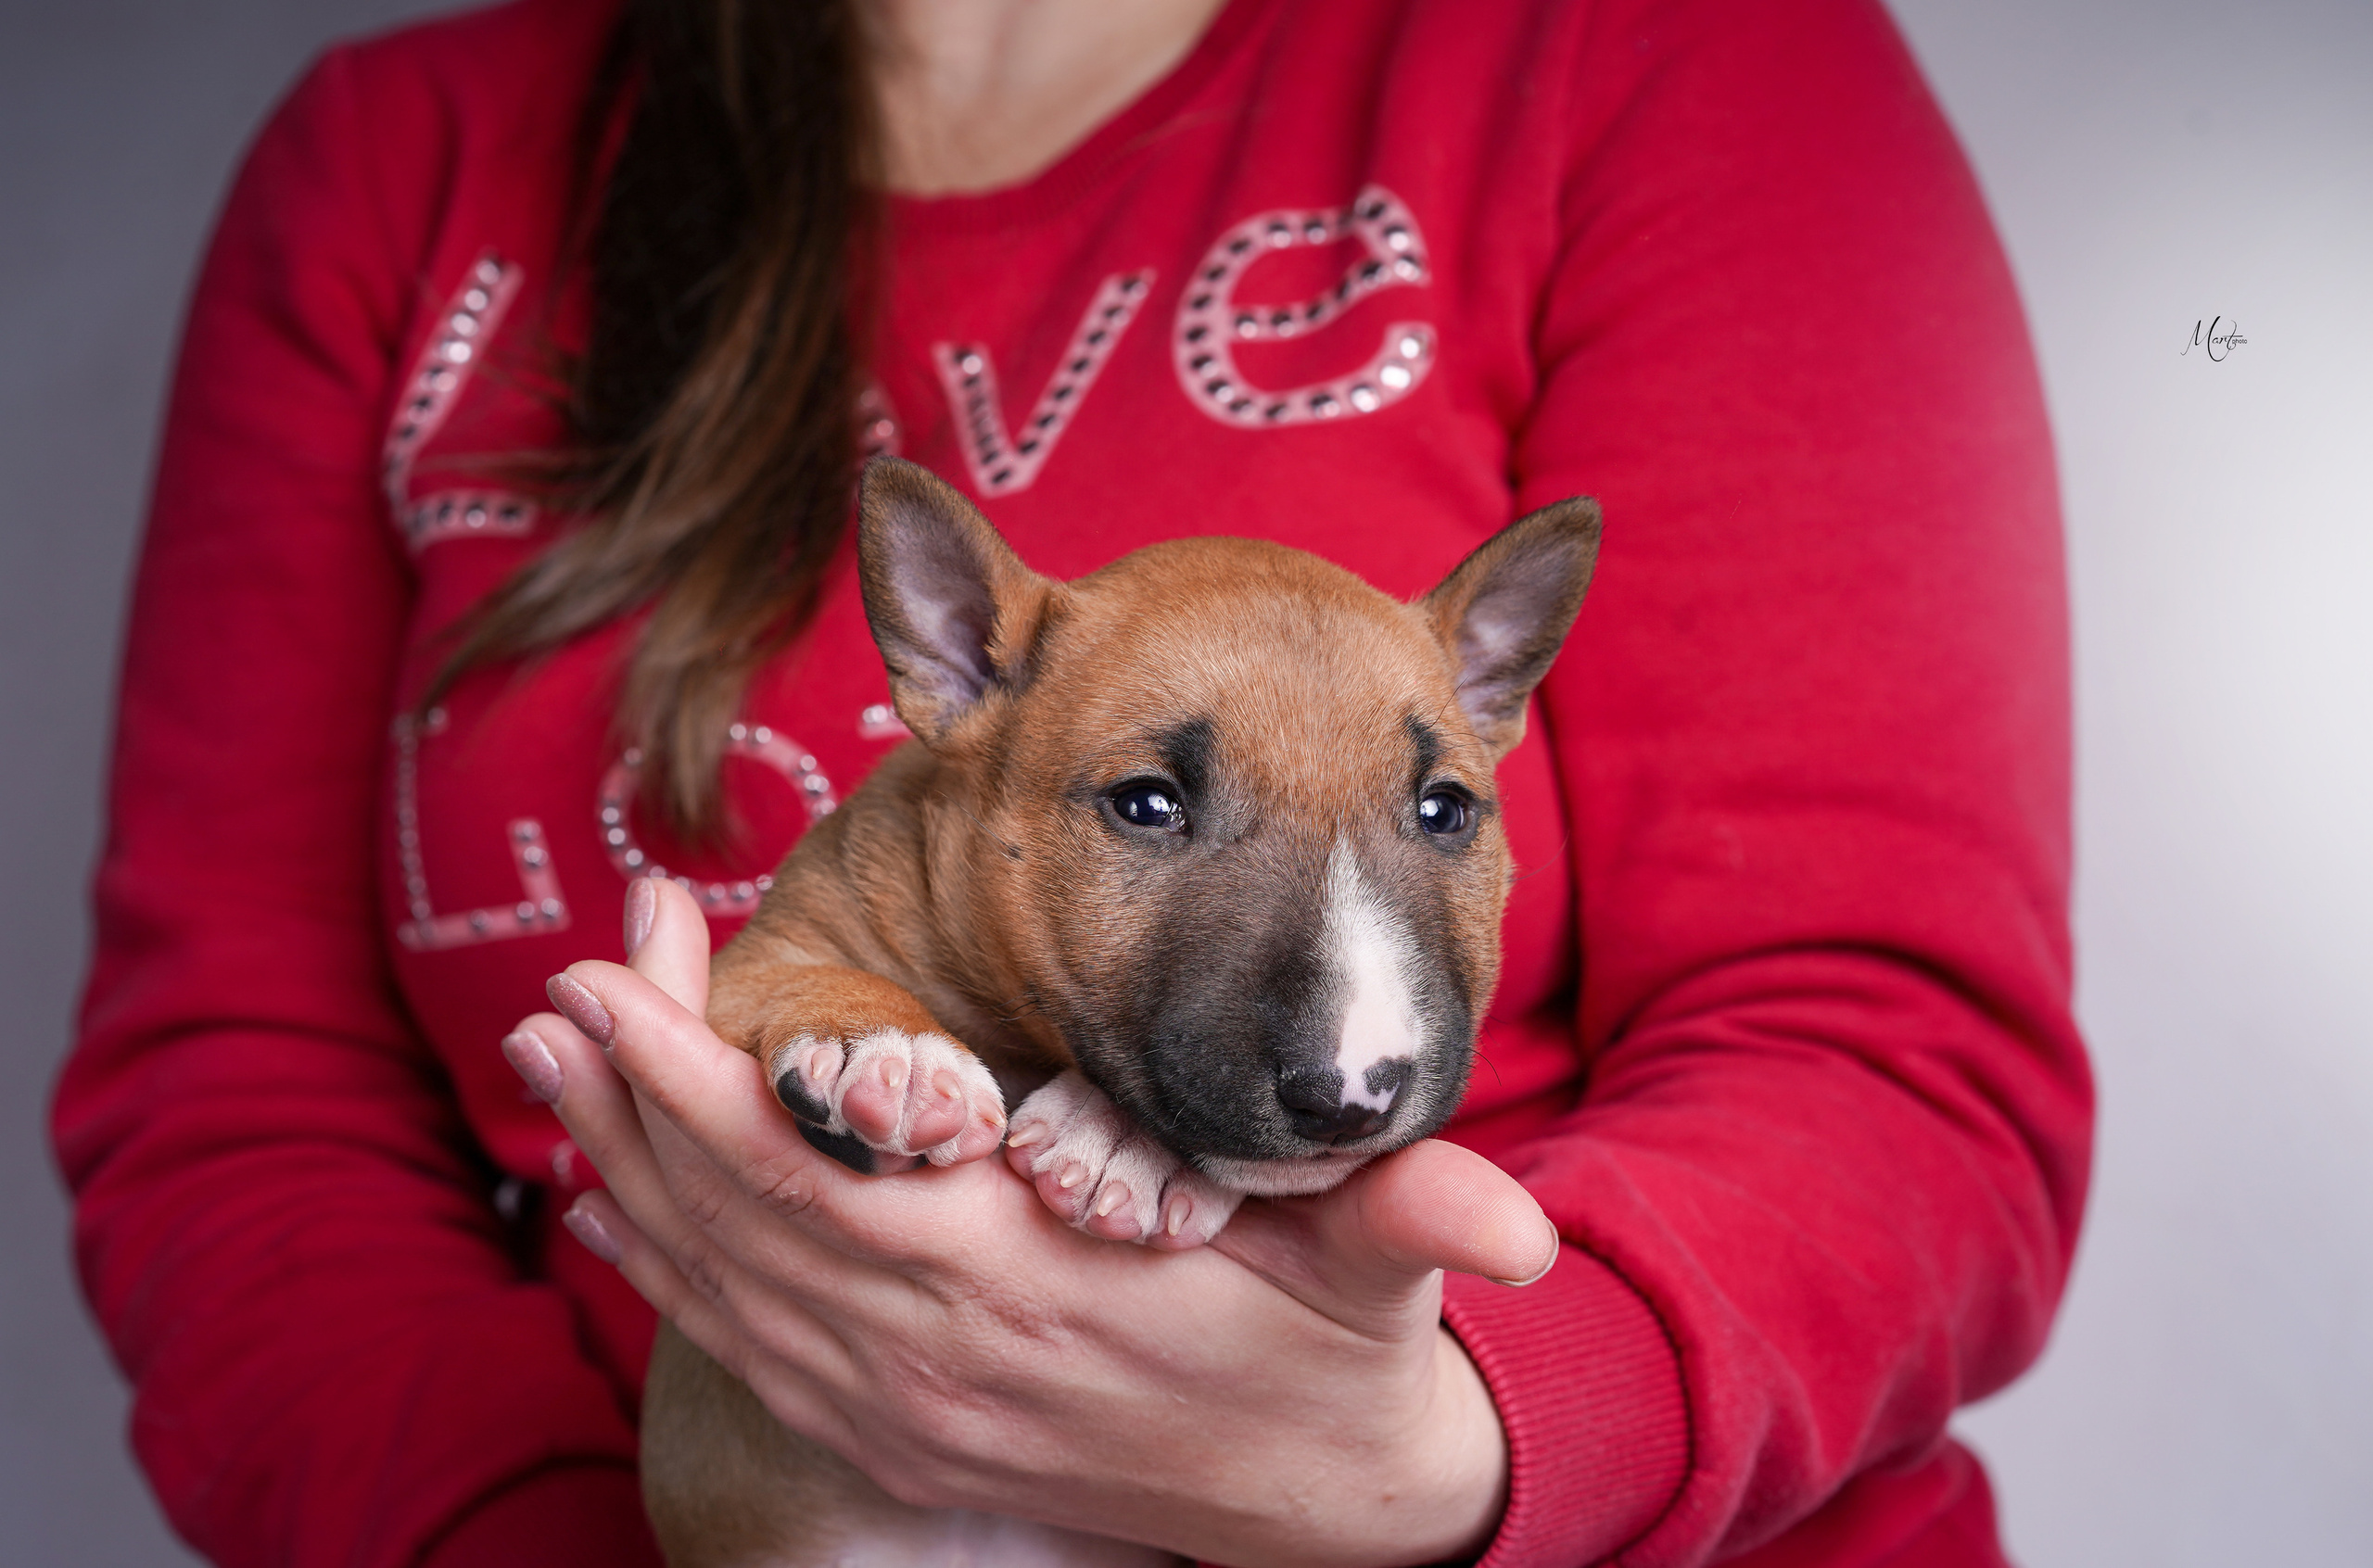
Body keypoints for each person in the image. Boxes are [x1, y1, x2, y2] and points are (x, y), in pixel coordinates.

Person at [52, 0, 2092, 1563]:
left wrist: (1433, 1450)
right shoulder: (398, 167)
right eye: (1145, 806)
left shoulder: (1661, 56)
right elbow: (240, 1097)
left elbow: (1891, 1061)